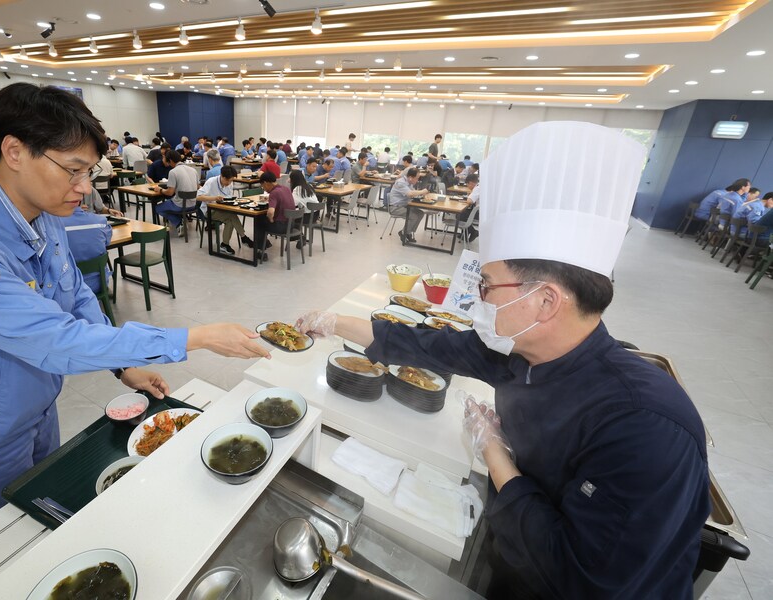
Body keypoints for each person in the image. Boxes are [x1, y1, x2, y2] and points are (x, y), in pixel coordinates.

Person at [295, 121, 709, 600]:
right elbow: (428, 345)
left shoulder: (646, 426)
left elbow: (579, 577)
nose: (476, 297)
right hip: (513, 563)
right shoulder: (522, 351)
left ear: (546, 302)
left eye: (487, 286)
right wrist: (335, 322)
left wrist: (494, 452)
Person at [0, 82, 269, 531]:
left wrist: (125, 365)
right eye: (73, 170)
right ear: (14, 151)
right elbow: (50, 337)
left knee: (47, 518)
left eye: (90, 171)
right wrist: (196, 337)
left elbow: (77, 297)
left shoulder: (43, 213)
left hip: (36, 409)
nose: (84, 187)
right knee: (7, 542)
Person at [197, 165, 254, 255]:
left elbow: (228, 197)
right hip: (209, 210)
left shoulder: (229, 183)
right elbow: (198, 197)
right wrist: (215, 198)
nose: (229, 183)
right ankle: (243, 237)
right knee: (231, 216)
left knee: (230, 219)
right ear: (222, 176)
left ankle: (225, 244)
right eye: (228, 180)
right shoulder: (211, 182)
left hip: (222, 209)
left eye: (231, 180)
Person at [62, 205, 112, 294]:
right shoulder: (101, 221)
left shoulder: (55, 225)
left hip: (69, 288)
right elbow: (107, 243)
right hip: (100, 283)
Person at [155, 150, 199, 236]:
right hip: (194, 204)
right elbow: (197, 187)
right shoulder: (193, 170)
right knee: (171, 203)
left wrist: (160, 190)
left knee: (158, 208)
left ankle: (179, 223)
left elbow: (170, 192)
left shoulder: (173, 172)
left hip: (180, 205)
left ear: (170, 160)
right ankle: (181, 220)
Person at [255, 171, 296, 261]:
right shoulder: (286, 189)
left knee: (258, 221)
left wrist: (271, 219)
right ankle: (266, 243)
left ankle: (260, 251)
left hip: (281, 227)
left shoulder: (274, 193)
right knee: (263, 220)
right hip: (291, 224)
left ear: (266, 183)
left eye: (263, 186)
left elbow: (270, 212)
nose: (264, 189)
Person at [388, 168, 429, 244]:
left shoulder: (409, 183)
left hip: (404, 206)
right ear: (410, 177)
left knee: (420, 213)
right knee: (413, 216)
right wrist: (422, 191)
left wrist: (421, 194)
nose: (417, 181)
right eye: (416, 178)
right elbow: (410, 193)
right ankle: (404, 233)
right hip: (396, 207)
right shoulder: (401, 183)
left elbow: (413, 192)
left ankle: (408, 232)